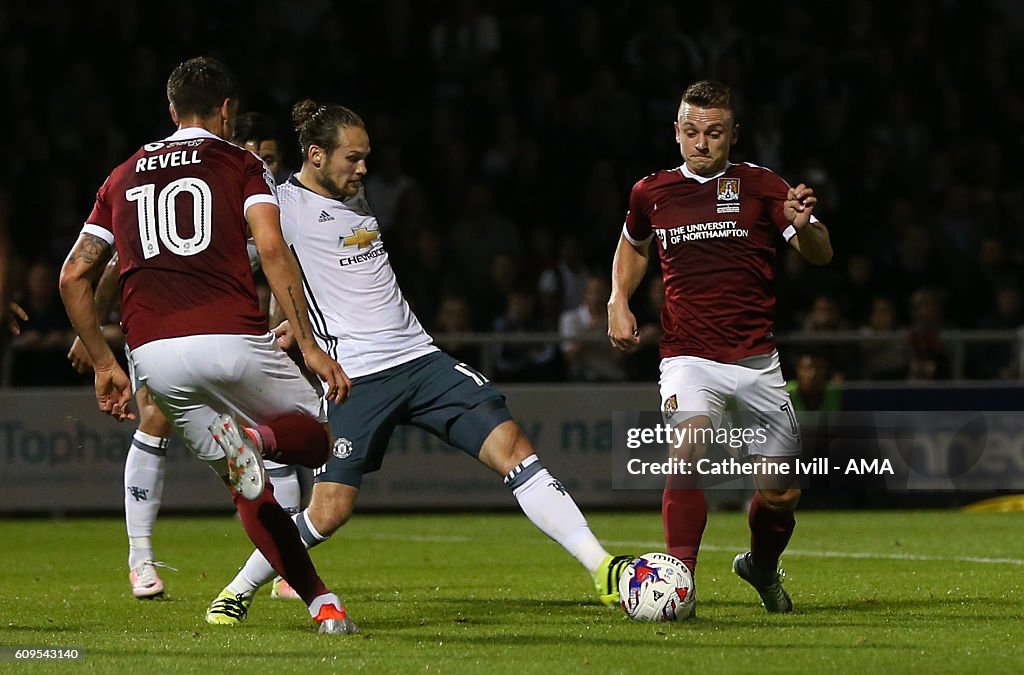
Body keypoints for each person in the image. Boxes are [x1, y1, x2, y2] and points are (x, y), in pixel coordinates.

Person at [204, 99, 631, 625]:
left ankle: (604, 569)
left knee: (514, 448)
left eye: (366, 158)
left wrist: (305, 318)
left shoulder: (356, 197)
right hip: (357, 375)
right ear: (315, 155)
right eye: (353, 159)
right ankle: (238, 589)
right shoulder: (280, 205)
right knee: (330, 511)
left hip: (422, 359)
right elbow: (272, 261)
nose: (363, 170)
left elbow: (342, 280)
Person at [58, 56, 356, 634]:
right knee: (319, 441)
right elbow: (272, 249)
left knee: (246, 482)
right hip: (231, 336)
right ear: (227, 111)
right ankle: (257, 436)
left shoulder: (120, 175)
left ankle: (322, 603)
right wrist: (314, 346)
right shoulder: (241, 162)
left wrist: (103, 363)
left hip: (155, 355)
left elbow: (73, 276)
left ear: (171, 110)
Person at [607, 80, 833, 615]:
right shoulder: (651, 192)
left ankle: (759, 565)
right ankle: (677, 582)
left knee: (781, 494)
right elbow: (633, 244)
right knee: (687, 448)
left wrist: (806, 228)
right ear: (677, 133)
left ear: (734, 135)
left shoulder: (762, 186)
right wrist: (618, 298)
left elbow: (819, 252)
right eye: (691, 131)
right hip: (688, 357)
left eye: (713, 132)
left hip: (757, 360)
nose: (701, 142)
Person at [65, 110, 306, 601]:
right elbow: (119, 262)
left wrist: (285, 324)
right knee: (155, 419)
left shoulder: (271, 198)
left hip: (237, 334)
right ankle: (140, 560)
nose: (264, 162)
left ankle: (281, 567)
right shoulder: (218, 183)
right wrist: (90, 330)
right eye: (257, 152)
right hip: (164, 322)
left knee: (282, 433)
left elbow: (284, 264)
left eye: (274, 157)